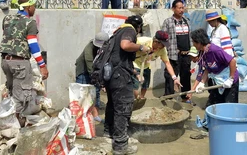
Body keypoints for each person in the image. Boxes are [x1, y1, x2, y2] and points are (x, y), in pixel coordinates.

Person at [0, 0, 49, 123]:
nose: (34, 9)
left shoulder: (7, 19)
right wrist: (42, 65)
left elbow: (8, 37)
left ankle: (6, 122)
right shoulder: (30, 22)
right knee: (21, 97)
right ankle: (16, 127)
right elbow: (33, 45)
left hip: (5, 61)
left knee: (11, 92)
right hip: (20, 63)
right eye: (33, 6)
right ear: (28, 7)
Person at [103, 15, 145, 155]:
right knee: (123, 107)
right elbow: (125, 45)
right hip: (120, 77)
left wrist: (135, 73)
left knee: (112, 104)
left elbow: (119, 59)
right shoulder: (130, 30)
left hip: (111, 75)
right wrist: (141, 47)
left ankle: (108, 133)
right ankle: (120, 145)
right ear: (138, 27)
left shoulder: (117, 32)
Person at [189, 29, 239, 107]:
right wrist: (201, 83)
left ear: (199, 42)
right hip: (217, 80)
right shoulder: (203, 53)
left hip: (229, 81)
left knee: (229, 107)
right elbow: (206, 69)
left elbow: (232, 61)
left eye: (194, 42)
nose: (193, 45)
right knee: (212, 106)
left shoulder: (215, 50)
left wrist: (230, 79)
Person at [132, 31, 181, 99]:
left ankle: (141, 98)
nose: (164, 46)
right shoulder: (141, 41)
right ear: (156, 41)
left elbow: (167, 63)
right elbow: (128, 47)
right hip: (134, 64)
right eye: (163, 44)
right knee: (136, 87)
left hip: (146, 66)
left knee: (145, 85)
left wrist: (174, 78)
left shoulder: (162, 50)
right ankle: (134, 99)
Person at [161, 0, 192, 100]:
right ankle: (169, 98)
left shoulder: (187, 21)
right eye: (179, 8)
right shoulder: (168, 22)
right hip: (173, 55)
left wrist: (192, 52)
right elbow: (163, 38)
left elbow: (190, 37)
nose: (181, 10)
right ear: (173, 9)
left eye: (183, 8)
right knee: (170, 77)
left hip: (186, 55)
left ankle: (185, 98)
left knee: (186, 77)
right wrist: (169, 49)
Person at [75, 31, 109, 120]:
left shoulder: (106, 49)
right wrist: (99, 82)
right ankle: (80, 115)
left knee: (96, 93)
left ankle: (95, 115)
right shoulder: (89, 49)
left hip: (96, 71)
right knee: (83, 92)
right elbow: (90, 67)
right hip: (84, 71)